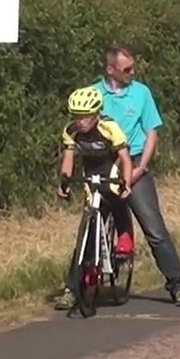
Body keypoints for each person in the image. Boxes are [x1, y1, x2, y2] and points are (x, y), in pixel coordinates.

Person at [94, 46, 180, 306]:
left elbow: (151, 132)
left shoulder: (141, 93)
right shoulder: (94, 93)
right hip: (104, 163)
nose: (132, 73)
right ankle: (76, 284)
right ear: (110, 70)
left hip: (135, 161)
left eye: (133, 67)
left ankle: (178, 284)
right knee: (91, 222)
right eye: (126, 70)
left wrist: (141, 168)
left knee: (154, 228)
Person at [52, 87, 135, 311]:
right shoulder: (71, 131)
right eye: (77, 116)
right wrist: (65, 182)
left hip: (112, 168)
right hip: (90, 174)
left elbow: (125, 159)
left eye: (86, 116)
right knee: (87, 232)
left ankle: (125, 235)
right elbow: (68, 159)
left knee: (115, 196)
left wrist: (126, 183)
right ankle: (77, 283)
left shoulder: (109, 128)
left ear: (97, 113)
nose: (81, 121)